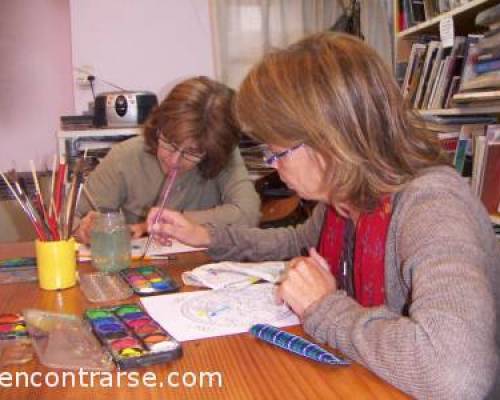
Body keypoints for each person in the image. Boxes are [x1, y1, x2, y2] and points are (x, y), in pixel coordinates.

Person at [146, 33, 500, 399]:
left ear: (331, 141)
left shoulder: (432, 206)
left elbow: (455, 375)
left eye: (278, 151)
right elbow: (294, 240)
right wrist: (208, 236)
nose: (273, 165)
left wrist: (323, 308)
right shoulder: (345, 198)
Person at [75, 76, 261, 244]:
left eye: (192, 152)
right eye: (170, 143)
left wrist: (173, 221)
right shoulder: (125, 157)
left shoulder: (221, 155)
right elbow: (73, 219)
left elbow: (248, 214)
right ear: (159, 125)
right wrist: (84, 229)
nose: (174, 160)